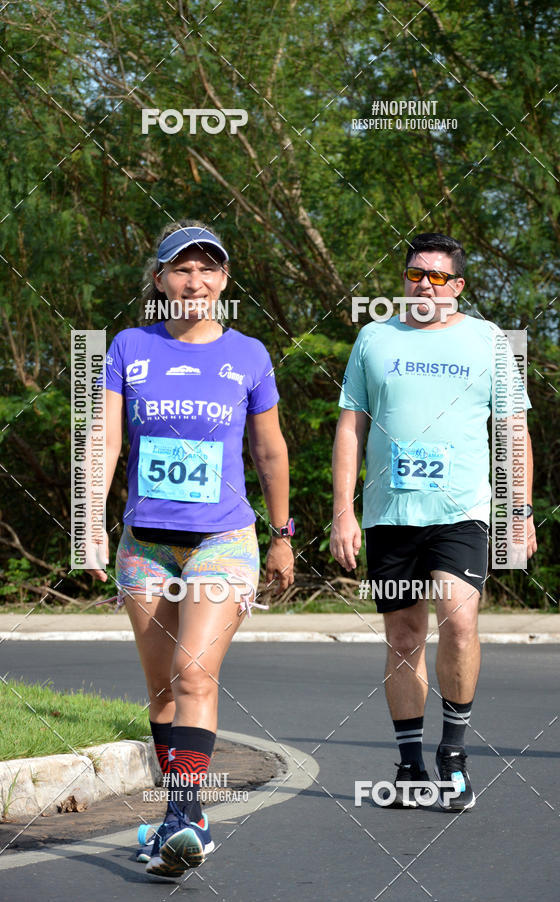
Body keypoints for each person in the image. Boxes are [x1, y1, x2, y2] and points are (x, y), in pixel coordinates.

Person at [87, 220, 295, 879]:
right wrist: (90, 521)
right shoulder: (128, 347)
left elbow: (269, 451)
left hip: (224, 540)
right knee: (161, 690)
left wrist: (283, 535)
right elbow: (105, 439)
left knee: (194, 674)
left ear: (224, 282)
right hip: (145, 543)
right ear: (159, 281)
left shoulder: (250, 355)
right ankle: (188, 819)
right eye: (181, 269)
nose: (194, 280)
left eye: (208, 269)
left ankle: (180, 817)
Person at [330, 232, 536, 811]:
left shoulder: (489, 341)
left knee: (459, 620)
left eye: (438, 276)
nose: (425, 283)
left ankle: (453, 755)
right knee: (403, 637)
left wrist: (519, 510)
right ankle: (408, 766)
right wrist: (343, 511)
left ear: (459, 286)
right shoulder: (374, 337)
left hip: (461, 512)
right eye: (415, 273)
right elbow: (351, 428)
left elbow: (514, 430)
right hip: (390, 514)